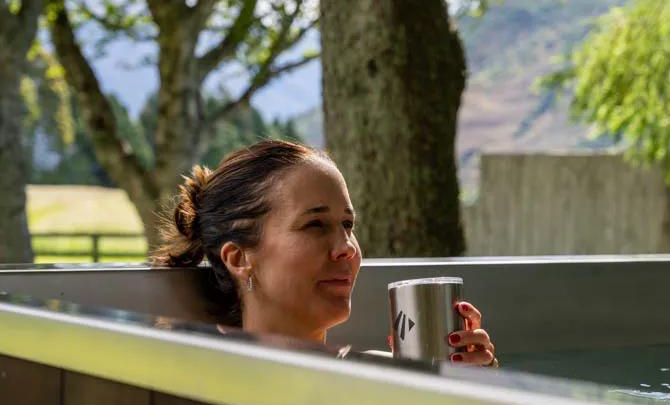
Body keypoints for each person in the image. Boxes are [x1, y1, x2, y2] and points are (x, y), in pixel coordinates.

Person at [152, 139, 497, 367]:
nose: (346, 249)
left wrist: (478, 390)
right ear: (239, 258)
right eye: (315, 225)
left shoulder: (384, 378)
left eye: (348, 224)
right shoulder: (197, 374)